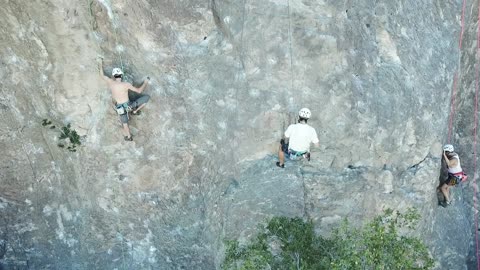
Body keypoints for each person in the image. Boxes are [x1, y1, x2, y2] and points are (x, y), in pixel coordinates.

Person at [98, 58, 150, 141]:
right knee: (147, 98)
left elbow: (102, 75)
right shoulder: (126, 84)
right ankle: (135, 111)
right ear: (121, 75)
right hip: (129, 106)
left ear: (113, 76)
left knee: (125, 124)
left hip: (120, 108)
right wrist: (145, 82)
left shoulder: (110, 82)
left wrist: (100, 63)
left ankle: (128, 137)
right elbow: (139, 91)